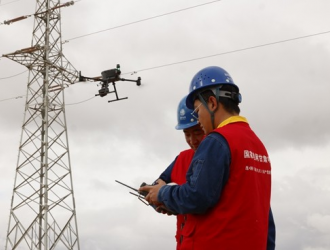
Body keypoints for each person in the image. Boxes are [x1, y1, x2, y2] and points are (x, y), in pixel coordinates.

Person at [140, 66, 275, 250]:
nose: (199, 120)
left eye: (197, 111)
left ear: (212, 103)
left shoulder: (216, 141)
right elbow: (264, 215)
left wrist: (162, 193)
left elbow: (197, 197)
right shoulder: (258, 146)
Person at [155, 95, 204, 249]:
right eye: (187, 134)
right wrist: (164, 204)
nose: (192, 140)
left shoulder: (219, 154)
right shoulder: (182, 158)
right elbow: (158, 183)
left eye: (197, 132)